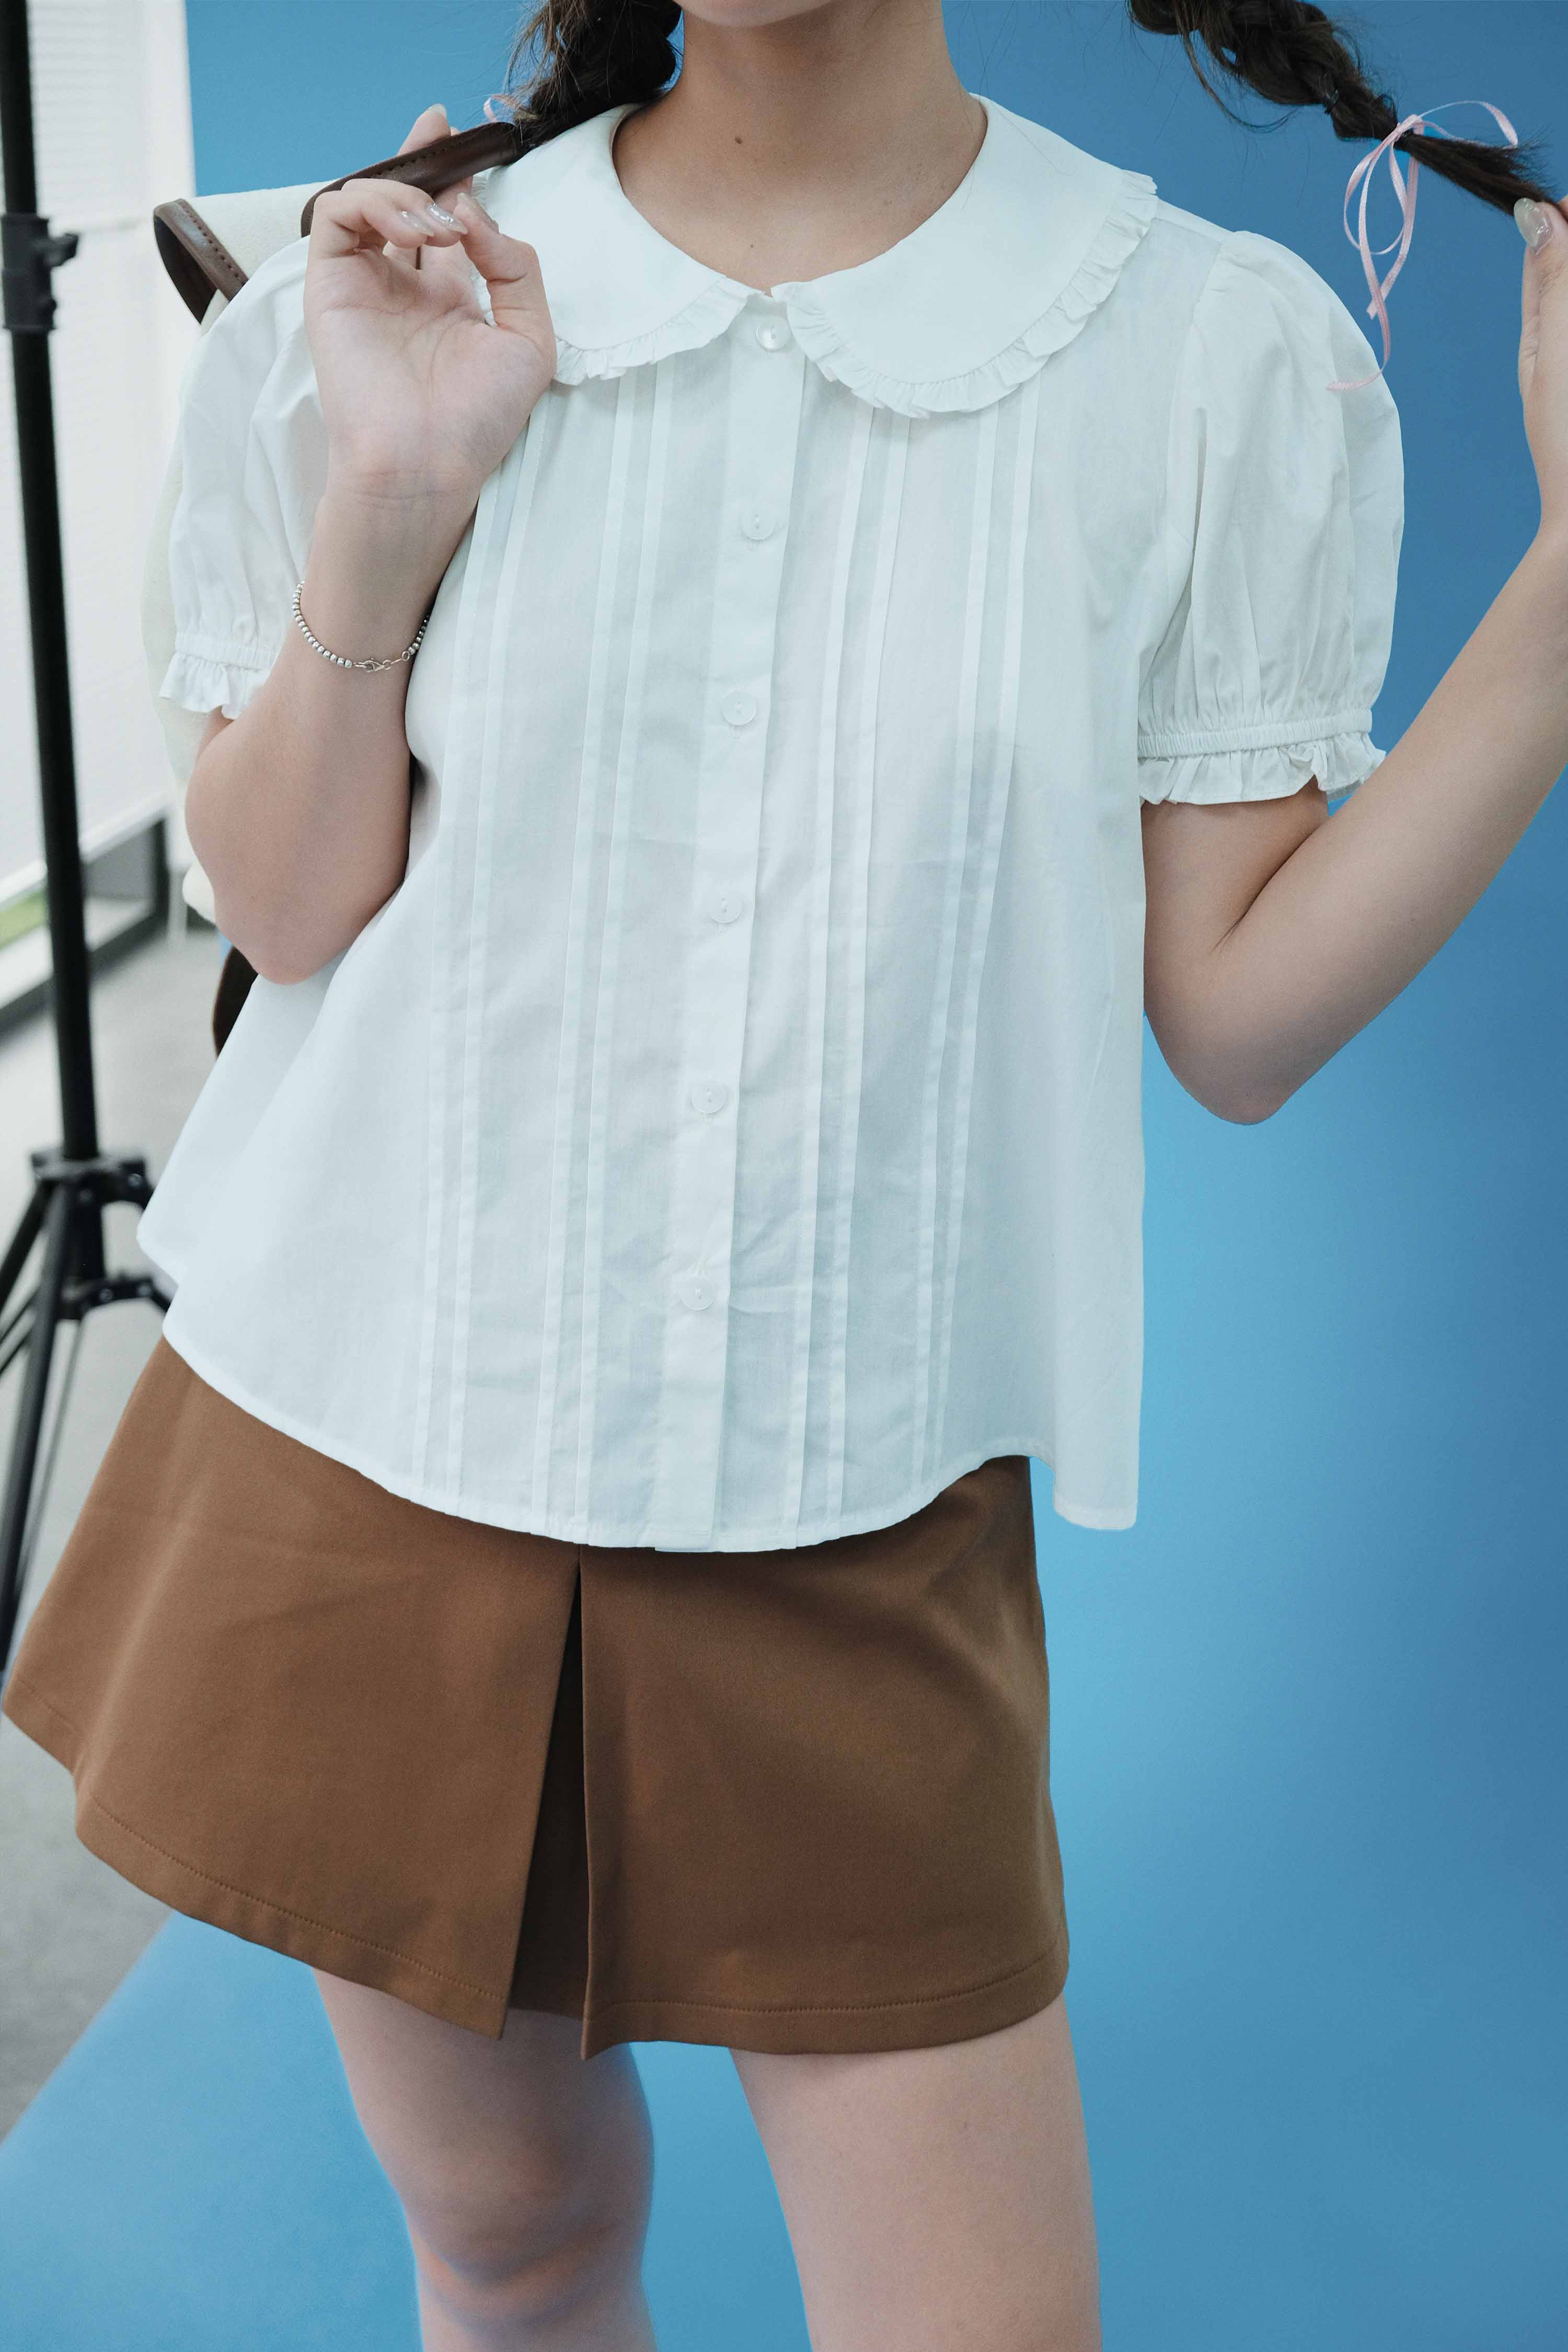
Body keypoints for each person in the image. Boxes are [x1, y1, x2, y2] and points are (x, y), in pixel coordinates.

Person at [3, 0, 1563, 2345]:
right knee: (510, 2246)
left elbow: (1236, 1019)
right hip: (368, 1448)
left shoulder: (1190, 352)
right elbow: (292, 907)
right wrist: (397, 487)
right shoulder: (401, 288)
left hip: (855, 1504)